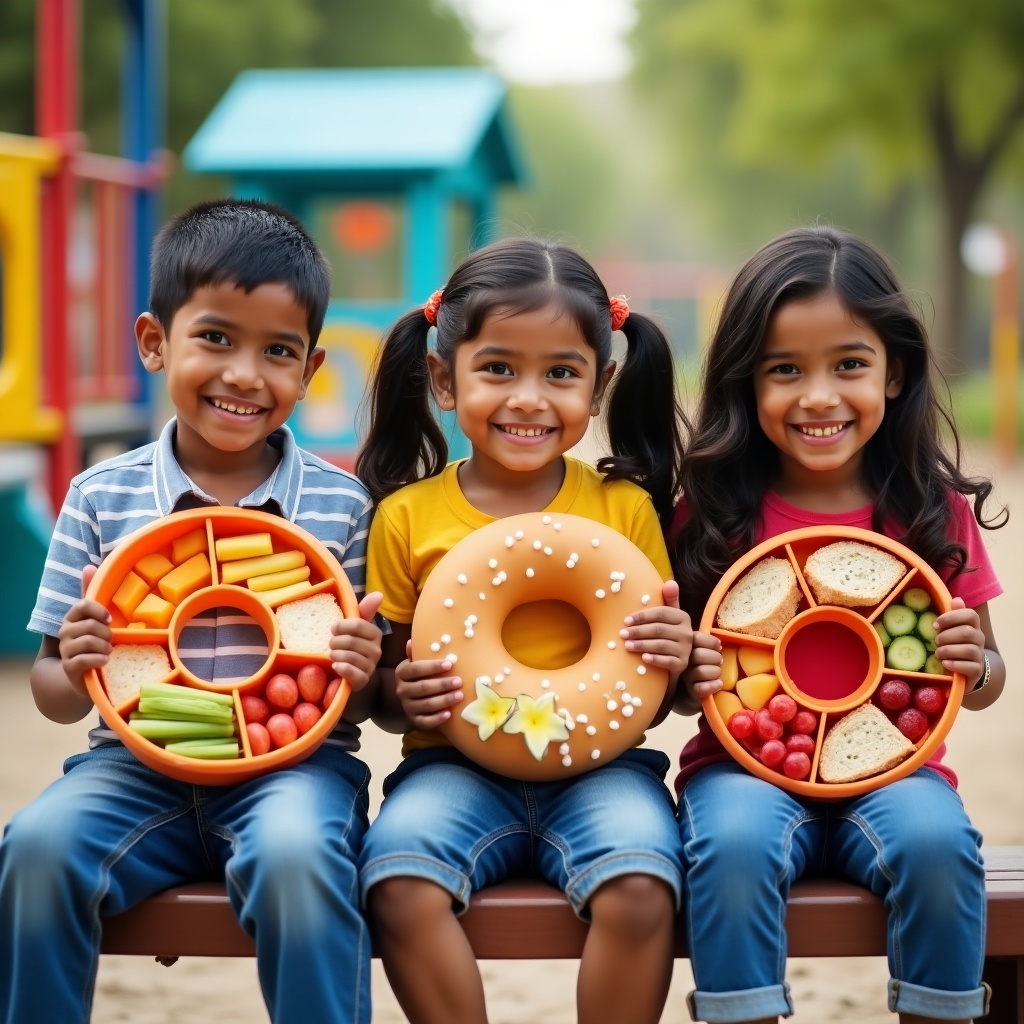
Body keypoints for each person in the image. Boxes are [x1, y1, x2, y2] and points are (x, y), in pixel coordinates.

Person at [0, 199, 384, 1024]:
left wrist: (364, 666)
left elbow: (362, 693)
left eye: (278, 352)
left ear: (310, 370)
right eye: (216, 338)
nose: (245, 375)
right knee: (35, 849)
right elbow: (52, 691)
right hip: (133, 770)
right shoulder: (103, 498)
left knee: (296, 859)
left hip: (294, 772)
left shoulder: (341, 504)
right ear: (154, 343)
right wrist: (72, 658)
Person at [670, 225, 1007, 1024]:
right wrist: (689, 673)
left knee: (938, 847)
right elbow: (682, 695)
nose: (818, 396)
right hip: (738, 768)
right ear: (746, 385)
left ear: (895, 373)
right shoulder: (711, 513)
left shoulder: (933, 508)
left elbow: (988, 680)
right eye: (785, 371)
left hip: (898, 771)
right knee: (735, 848)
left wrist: (974, 662)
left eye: (848, 365)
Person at [355, 237, 691, 1024]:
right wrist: (399, 692)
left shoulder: (624, 510)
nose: (529, 399)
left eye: (561, 374)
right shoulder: (406, 518)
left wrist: (675, 662)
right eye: (499, 369)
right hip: (453, 771)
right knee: (398, 881)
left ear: (600, 385)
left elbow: (660, 694)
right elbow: (386, 698)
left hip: (606, 773)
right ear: (444, 376)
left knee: (643, 884)